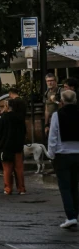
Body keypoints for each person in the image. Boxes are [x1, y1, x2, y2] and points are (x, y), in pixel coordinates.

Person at [48, 89, 79, 229]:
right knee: (75, 185)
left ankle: (71, 216)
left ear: (62, 101)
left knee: (65, 187)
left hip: (62, 155)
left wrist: (51, 153)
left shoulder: (57, 115)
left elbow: (53, 136)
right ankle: (75, 214)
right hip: (77, 154)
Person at [0, 98, 27, 195]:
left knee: (7, 169)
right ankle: (21, 188)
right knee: (19, 168)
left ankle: (8, 188)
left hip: (6, 146)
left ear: (7, 106)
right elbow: (24, 132)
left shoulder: (4, 118)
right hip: (18, 146)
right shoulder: (20, 118)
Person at [44, 72, 62, 138]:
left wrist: (55, 101)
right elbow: (47, 110)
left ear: (55, 81)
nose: (50, 83)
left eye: (51, 80)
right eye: (48, 81)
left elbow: (64, 106)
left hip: (59, 120)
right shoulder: (47, 93)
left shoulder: (60, 91)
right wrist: (46, 125)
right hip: (51, 122)